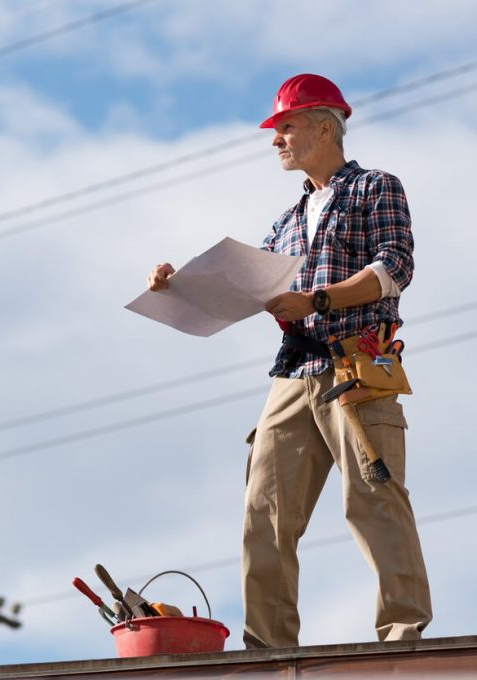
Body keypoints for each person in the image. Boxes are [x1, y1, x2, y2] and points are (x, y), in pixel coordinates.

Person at [147, 74, 432, 648]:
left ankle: (400, 640)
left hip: (357, 365)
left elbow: (394, 268)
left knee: (373, 498)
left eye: (285, 127)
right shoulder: (286, 222)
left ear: (325, 127)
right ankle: (269, 651)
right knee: (264, 513)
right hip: (293, 374)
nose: (276, 140)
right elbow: (254, 289)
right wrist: (178, 288)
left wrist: (319, 299)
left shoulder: (376, 188)